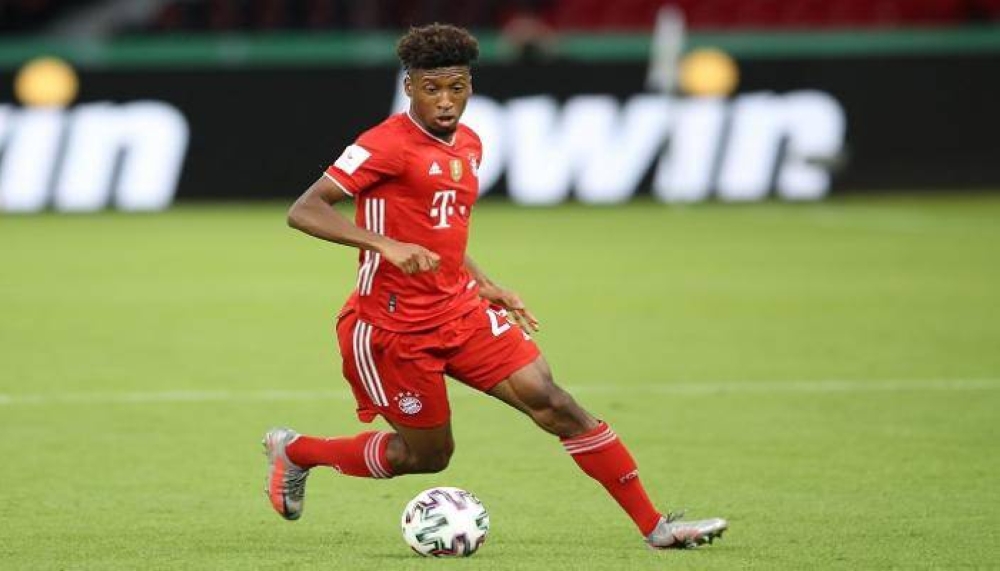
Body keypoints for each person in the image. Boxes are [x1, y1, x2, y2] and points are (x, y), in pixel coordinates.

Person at [264, 23, 727, 549]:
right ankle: (297, 451)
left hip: (459, 311)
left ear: (470, 86)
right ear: (410, 86)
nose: (445, 101)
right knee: (427, 456)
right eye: (432, 88)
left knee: (554, 403)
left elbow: (443, 231)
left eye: (456, 87)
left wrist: (484, 282)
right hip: (392, 329)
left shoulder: (470, 144)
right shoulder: (384, 144)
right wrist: (384, 245)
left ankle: (657, 527)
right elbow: (305, 209)